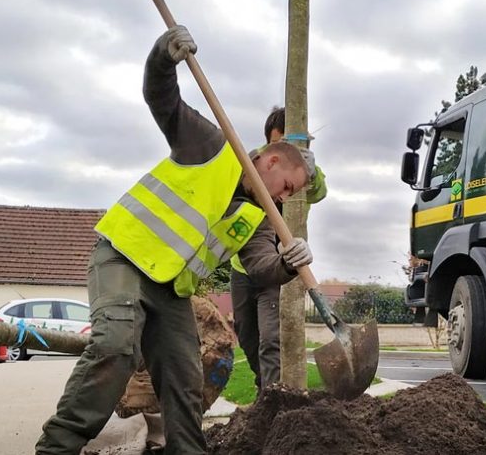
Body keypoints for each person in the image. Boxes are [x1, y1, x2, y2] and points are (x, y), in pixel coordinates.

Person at [35, 25, 317, 455]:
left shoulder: (258, 216)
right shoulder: (212, 146)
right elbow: (160, 97)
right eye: (287, 187)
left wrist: (288, 263)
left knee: (186, 379)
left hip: (169, 290)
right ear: (273, 159)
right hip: (124, 257)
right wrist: (163, 55)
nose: (284, 198)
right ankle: (57, 447)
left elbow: (261, 266)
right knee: (116, 343)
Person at [230, 106, 327, 393]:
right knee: (246, 336)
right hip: (244, 267)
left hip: (282, 269)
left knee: (271, 339)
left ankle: (272, 398)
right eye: (278, 142)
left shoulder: (305, 173)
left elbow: (319, 192)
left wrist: (308, 169)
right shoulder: (258, 164)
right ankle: (266, 389)